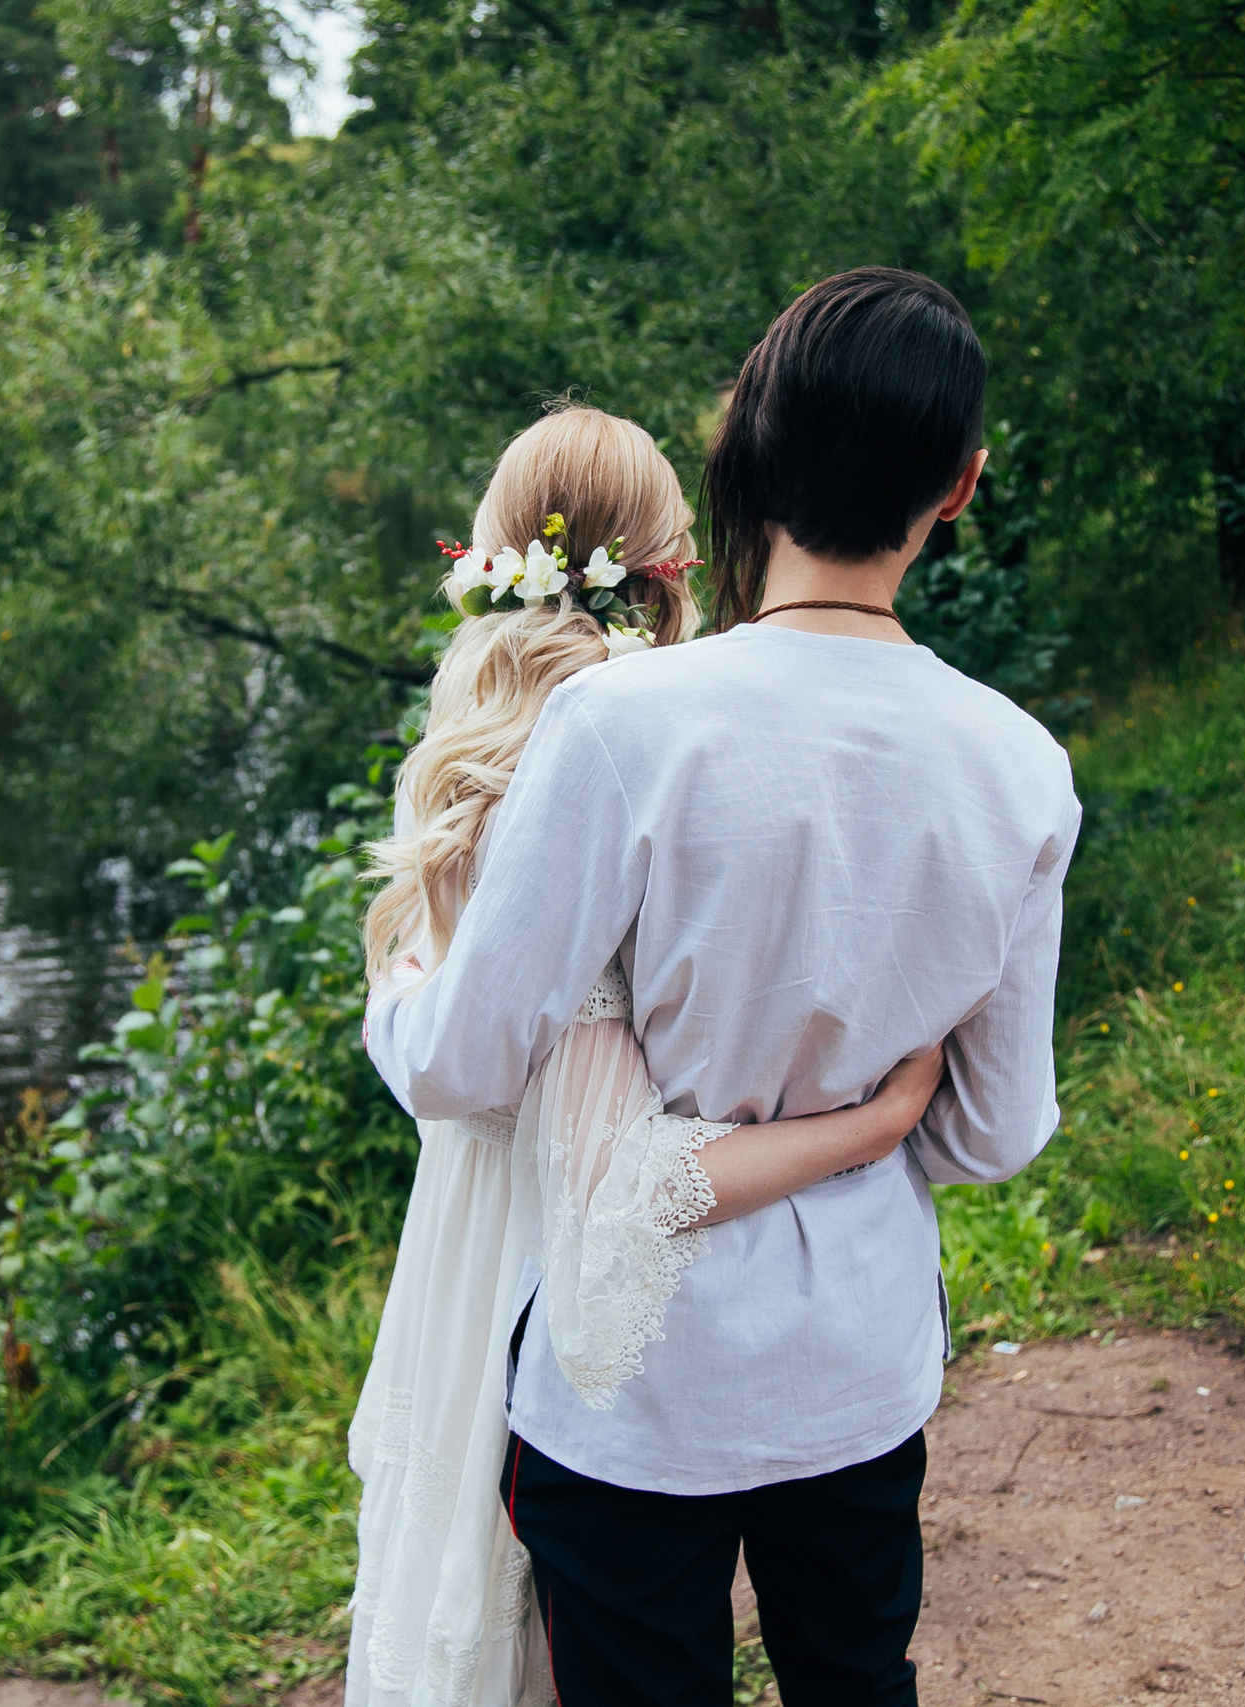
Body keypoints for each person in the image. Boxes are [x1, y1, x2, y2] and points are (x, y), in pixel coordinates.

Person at [363, 270, 1081, 1707]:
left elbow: (462, 1065)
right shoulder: (1019, 764)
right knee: (856, 1682)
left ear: (743, 455)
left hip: (632, 1386)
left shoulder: (618, 725)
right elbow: (993, 1134)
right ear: (961, 484)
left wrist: (398, 985)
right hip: (859, 1363)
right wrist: (877, 1116)